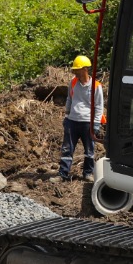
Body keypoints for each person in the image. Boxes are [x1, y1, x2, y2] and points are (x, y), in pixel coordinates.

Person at [55, 55, 105, 183]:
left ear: (84, 69)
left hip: (87, 122)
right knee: (67, 149)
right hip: (72, 121)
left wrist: (96, 124)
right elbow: (69, 99)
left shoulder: (96, 86)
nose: (74, 72)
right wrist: (66, 116)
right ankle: (63, 174)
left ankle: (87, 173)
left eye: (77, 69)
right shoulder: (73, 83)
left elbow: (99, 106)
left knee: (89, 150)